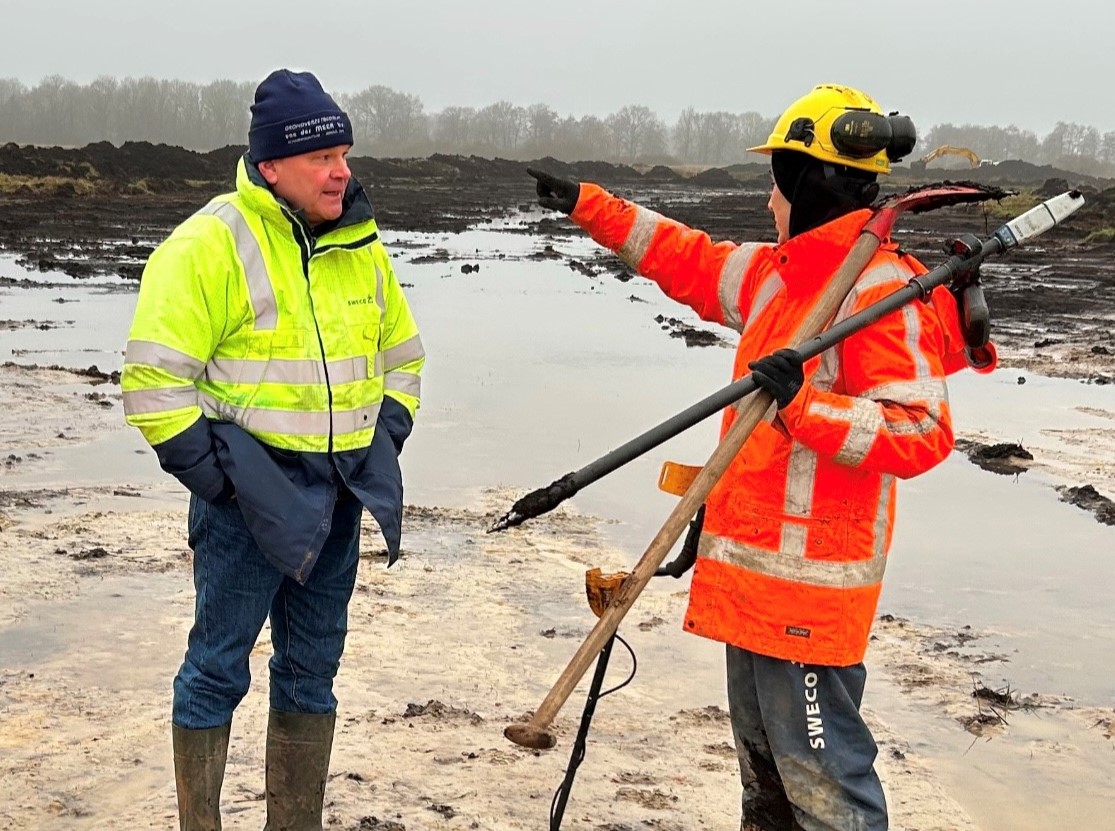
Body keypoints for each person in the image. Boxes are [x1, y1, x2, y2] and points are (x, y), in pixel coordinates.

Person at [528, 84, 994, 831]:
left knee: (827, 788)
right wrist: (589, 204)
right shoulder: (783, 273)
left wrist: (801, 405)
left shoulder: (877, 291)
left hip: (809, 596)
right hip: (750, 585)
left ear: (803, 180)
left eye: (773, 182)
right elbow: (687, 258)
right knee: (768, 785)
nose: (765, 202)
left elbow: (919, 433)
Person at [121, 68, 424, 830]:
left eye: (344, 153)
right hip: (246, 502)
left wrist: (380, 437)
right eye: (323, 157)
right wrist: (217, 480)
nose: (341, 170)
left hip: (342, 492)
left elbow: (404, 354)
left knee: (312, 674)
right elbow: (153, 376)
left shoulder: (361, 245)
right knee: (216, 671)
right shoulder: (210, 242)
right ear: (271, 168)